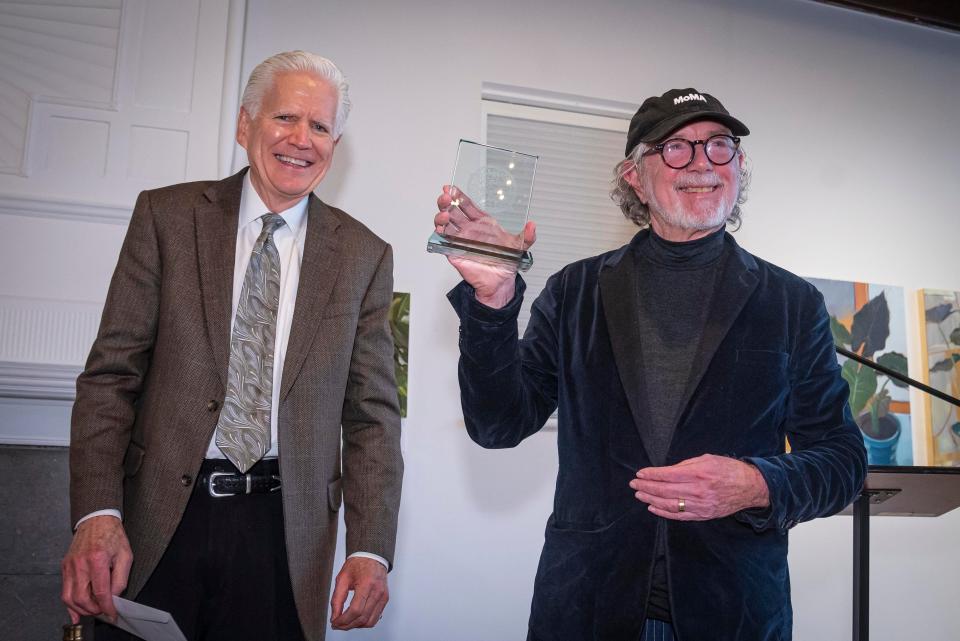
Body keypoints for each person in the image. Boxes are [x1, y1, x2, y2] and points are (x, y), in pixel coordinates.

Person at [436, 88, 866, 641]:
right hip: (590, 605)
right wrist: (493, 303)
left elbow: (843, 460)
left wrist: (756, 481)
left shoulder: (790, 302)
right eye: (677, 148)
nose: (702, 164)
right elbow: (498, 424)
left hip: (732, 611)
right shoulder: (577, 291)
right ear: (635, 176)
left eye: (718, 146)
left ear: (737, 166)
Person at [61, 51, 403, 641]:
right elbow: (110, 377)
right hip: (156, 524)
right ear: (245, 125)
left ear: (335, 143)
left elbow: (372, 416)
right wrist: (98, 513)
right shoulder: (166, 217)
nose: (302, 140)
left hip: (285, 537)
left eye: (320, 127)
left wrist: (371, 548)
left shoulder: (364, 256)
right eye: (285, 118)